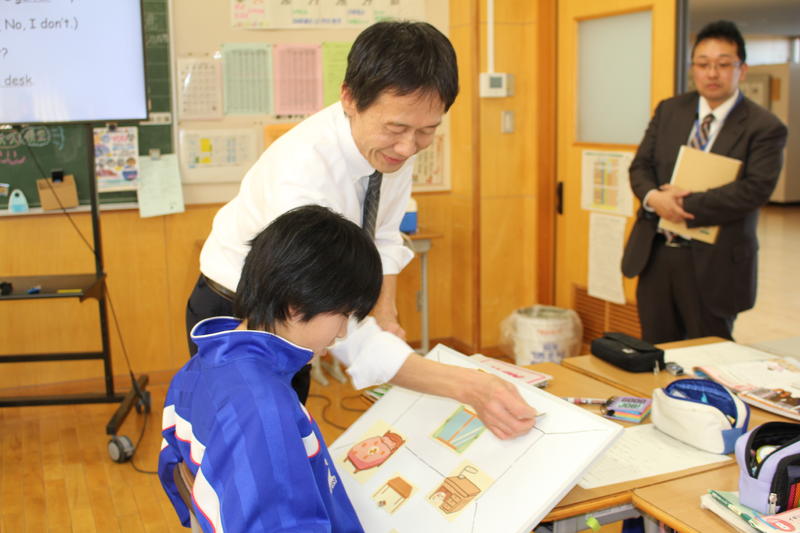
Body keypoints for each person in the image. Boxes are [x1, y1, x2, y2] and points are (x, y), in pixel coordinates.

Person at [186, 21, 537, 439]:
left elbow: (383, 235)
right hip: (240, 311)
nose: (407, 147)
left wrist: (384, 312)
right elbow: (329, 315)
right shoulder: (302, 174)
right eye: (396, 129)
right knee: (249, 444)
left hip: (302, 312)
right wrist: (468, 386)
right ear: (350, 98)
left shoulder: (388, 151)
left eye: (427, 131)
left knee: (286, 431)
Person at [160, 206, 380, 532]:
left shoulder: (199, 366)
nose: (343, 332)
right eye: (343, 314)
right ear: (296, 304)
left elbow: (172, 467)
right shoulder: (263, 410)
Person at [622, 20, 788, 344]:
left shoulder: (764, 126)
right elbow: (640, 166)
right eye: (703, 64)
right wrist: (654, 198)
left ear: (742, 70)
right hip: (657, 253)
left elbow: (755, 189)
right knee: (655, 350)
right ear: (693, 68)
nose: (712, 73)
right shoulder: (670, 110)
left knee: (706, 354)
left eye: (723, 64)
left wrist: (682, 205)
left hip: (715, 262)